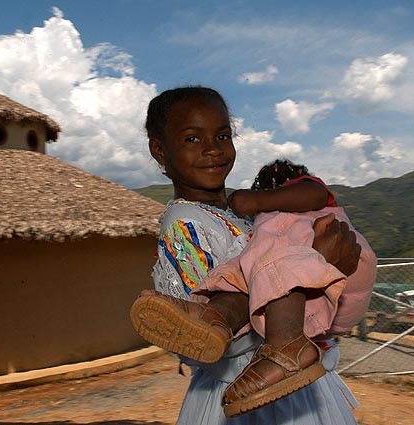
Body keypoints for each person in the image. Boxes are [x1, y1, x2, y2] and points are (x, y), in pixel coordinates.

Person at [130, 86, 377, 424]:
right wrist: (317, 266)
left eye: (222, 136)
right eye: (192, 139)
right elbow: (208, 352)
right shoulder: (186, 223)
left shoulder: (250, 211)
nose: (212, 149)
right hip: (249, 396)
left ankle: (217, 315)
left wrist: (316, 266)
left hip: (297, 382)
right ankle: (214, 316)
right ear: (159, 150)